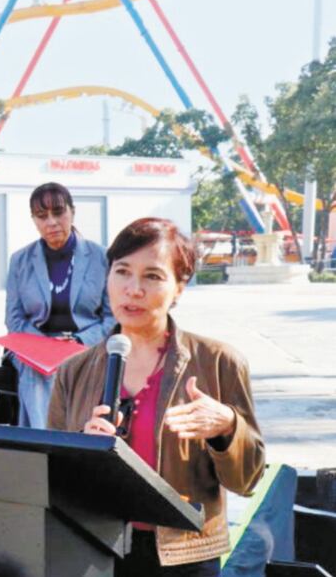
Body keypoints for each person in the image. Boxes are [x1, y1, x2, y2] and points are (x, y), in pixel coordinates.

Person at [49, 218, 265, 576]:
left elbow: (248, 480)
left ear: (179, 287)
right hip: (98, 549)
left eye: (152, 276)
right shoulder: (73, 371)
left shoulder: (218, 362)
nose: (133, 289)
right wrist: (81, 453)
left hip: (185, 556)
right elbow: (53, 481)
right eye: (122, 272)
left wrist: (227, 427)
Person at [0, 182, 114, 428]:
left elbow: (112, 317)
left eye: (58, 212)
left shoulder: (102, 258)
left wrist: (79, 341)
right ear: (33, 220)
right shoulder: (20, 260)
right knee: (38, 368)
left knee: (70, 364)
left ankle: (58, 443)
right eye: (41, 216)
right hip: (35, 345)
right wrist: (44, 346)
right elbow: (14, 319)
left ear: (72, 211)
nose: (51, 222)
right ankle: (48, 444)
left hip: (86, 344)